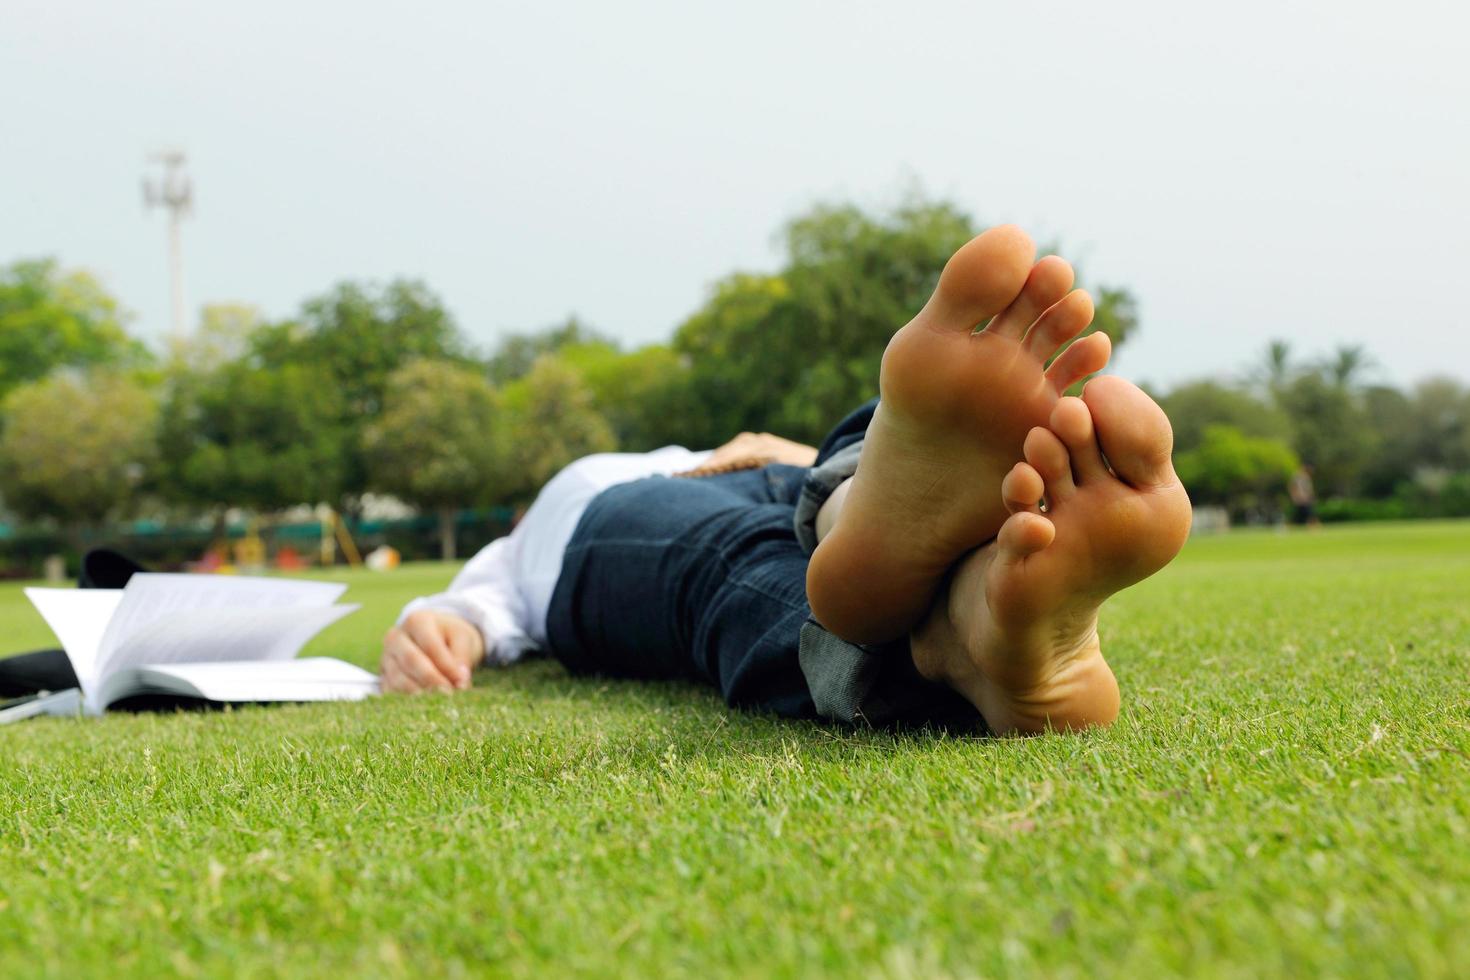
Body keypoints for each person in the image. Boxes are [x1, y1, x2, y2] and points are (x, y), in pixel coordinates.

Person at [380, 226, 1193, 735]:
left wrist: (796, 464)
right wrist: (438, 621)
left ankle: (897, 542)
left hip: (776, 472)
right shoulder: (517, 548)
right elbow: (464, 614)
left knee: (844, 466)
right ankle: (953, 619)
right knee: (732, 559)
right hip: (601, 523)